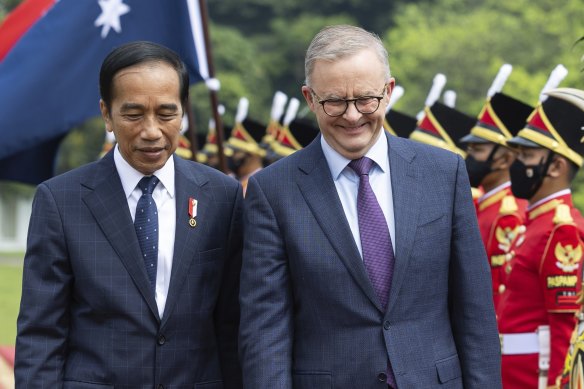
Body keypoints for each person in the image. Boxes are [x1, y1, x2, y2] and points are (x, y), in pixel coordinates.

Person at [239, 24, 501, 389]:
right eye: (334, 101)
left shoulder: (443, 173)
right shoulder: (274, 190)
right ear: (310, 98)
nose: (351, 115)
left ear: (388, 91)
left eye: (365, 99)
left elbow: (474, 312)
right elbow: (265, 329)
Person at [15, 41, 243, 388]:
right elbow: (42, 334)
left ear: (184, 112)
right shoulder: (61, 201)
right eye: (133, 114)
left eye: (166, 114)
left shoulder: (222, 196)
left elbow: (232, 324)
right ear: (107, 113)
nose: (151, 132)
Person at [498, 87, 584, 389]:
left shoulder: (561, 230)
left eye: (527, 155)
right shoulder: (535, 222)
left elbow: (563, 324)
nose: (516, 163)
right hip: (513, 372)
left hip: (534, 376)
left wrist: (558, 384)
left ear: (557, 166)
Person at [460, 90, 532, 312]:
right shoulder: (483, 204)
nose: (469, 157)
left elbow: (499, 288)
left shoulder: (508, 215)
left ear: (505, 159)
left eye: (478, 150)